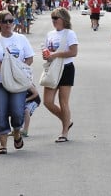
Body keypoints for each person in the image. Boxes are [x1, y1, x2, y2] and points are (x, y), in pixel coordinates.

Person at [0, 10, 34, 154]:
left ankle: (17, 132)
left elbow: (30, 58)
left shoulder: (21, 39)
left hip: (18, 82)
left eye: (10, 21)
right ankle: (3, 145)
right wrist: (7, 73)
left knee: (17, 111)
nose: (8, 24)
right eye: (5, 21)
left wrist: (19, 71)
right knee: (0, 111)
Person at [42, 7, 79, 143]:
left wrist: (56, 54)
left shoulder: (69, 33)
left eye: (56, 18)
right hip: (52, 68)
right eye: (52, 18)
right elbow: (47, 50)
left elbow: (73, 52)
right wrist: (46, 55)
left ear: (63, 19)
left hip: (66, 68)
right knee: (47, 102)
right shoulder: (50, 34)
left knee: (63, 101)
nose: (53, 21)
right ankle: (66, 120)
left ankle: (64, 132)